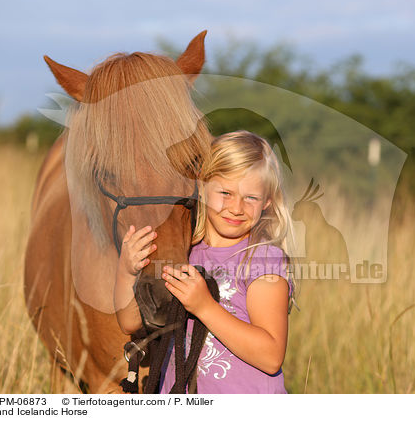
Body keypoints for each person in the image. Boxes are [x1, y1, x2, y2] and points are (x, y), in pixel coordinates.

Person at [115, 130, 297, 393]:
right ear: (201, 185)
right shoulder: (184, 253)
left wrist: (205, 308)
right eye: (225, 192)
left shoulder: (262, 261)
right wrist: (125, 272)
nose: (236, 208)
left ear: (267, 201)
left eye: (251, 198)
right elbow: (131, 324)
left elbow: (271, 357)